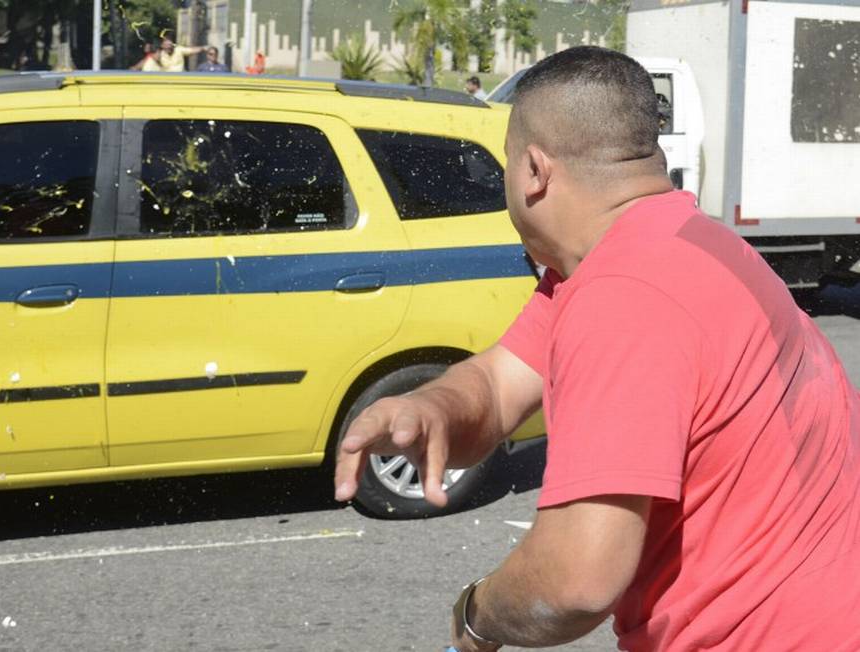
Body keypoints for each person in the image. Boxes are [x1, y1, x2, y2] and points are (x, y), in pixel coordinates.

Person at [334, 45, 860, 652]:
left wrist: (476, 615)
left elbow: (574, 581)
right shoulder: (674, 241)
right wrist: (432, 406)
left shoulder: (625, 294)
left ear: (534, 170)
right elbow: (501, 383)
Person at [141, 38, 207, 73]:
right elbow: (150, 59)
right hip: (167, 79)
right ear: (162, 46)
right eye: (166, 45)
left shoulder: (179, 50)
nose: (168, 47)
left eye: (170, 45)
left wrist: (203, 48)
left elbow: (192, 50)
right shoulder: (160, 54)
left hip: (181, 77)